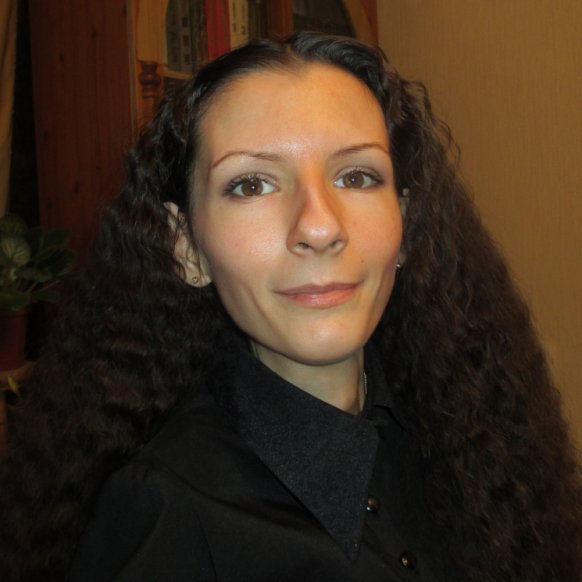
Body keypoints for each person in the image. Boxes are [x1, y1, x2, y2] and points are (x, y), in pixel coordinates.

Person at [1, 32, 581, 582]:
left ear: (406, 226)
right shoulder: (164, 515)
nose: (319, 226)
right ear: (186, 248)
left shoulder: (471, 437)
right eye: (251, 184)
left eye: (357, 176)